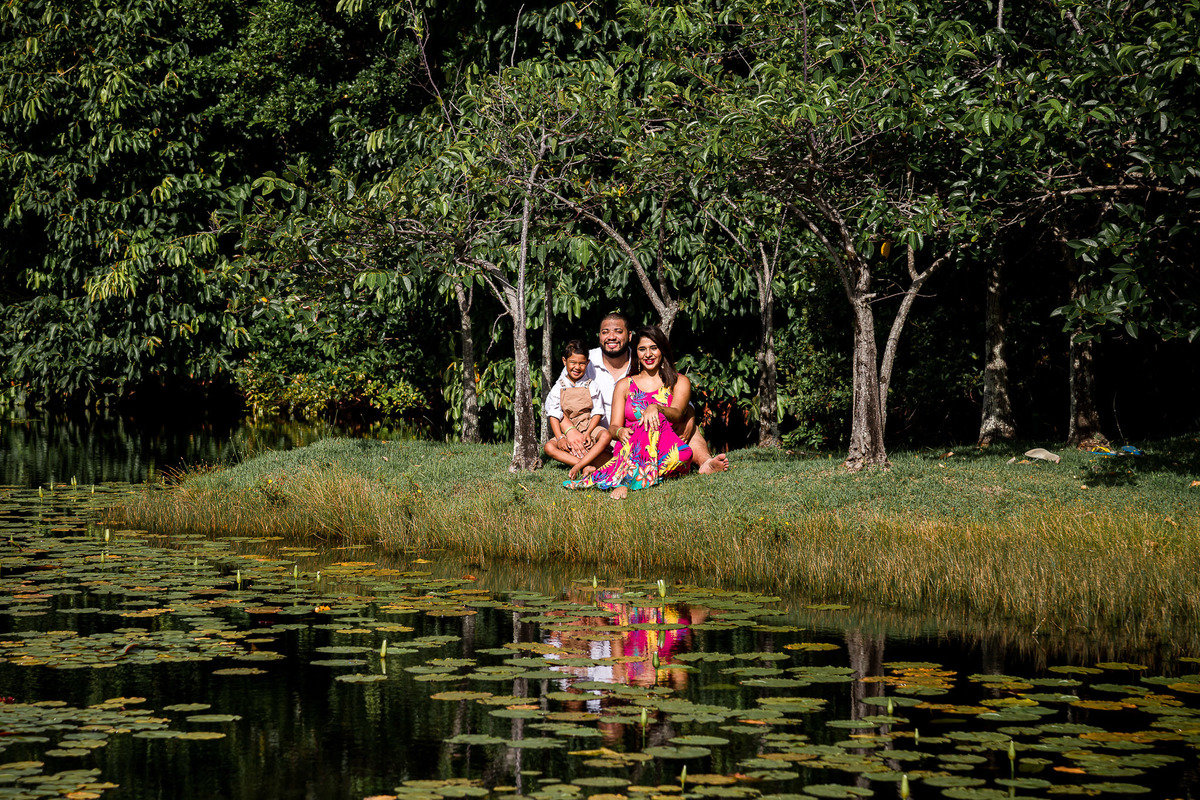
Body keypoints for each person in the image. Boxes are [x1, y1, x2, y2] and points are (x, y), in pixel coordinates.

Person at [561, 312, 730, 475]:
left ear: (629, 336)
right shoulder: (584, 362)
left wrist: (685, 416)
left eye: (618, 331)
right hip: (611, 436)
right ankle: (605, 466)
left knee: (689, 428)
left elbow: (681, 408)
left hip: (666, 437)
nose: (648, 354)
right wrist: (572, 431)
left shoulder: (676, 380)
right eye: (605, 332)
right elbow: (559, 402)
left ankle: (706, 462)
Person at [563, 326, 694, 499]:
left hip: (665, 446)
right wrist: (620, 431)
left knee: (678, 445)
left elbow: (678, 413)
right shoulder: (625, 384)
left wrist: (656, 407)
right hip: (631, 448)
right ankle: (630, 480)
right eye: (642, 349)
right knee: (649, 421)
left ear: (662, 349)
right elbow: (613, 428)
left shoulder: (679, 381)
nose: (648, 354)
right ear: (636, 354)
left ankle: (630, 475)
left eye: (653, 348)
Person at [543, 340, 613, 479]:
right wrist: (560, 438)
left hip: (590, 427)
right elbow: (554, 414)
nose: (577, 367)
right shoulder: (559, 387)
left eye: (581, 363)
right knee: (549, 448)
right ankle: (583, 465)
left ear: (587, 363)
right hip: (569, 430)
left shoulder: (592, 385)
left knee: (606, 436)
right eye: (573, 362)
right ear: (564, 361)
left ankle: (581, 464)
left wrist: (587, 433)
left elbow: (598, 412)